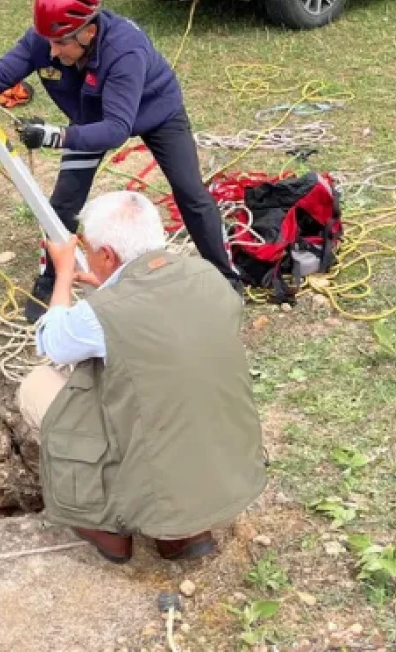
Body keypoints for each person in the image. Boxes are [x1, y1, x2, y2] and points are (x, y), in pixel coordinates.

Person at [0, 0, 240, 323]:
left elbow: (115, 130)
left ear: (89, 32)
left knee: (190, 193)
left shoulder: (124, 51)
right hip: (91, 118)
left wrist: (54, 136)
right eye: (47, 40)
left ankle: (226, 279)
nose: (51, 50)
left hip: (155, 111)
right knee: (63, 203)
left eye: (60, 43)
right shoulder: (47, 38)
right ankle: (49, 282)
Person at [17, 191, 266, 564]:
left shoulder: (100, 315)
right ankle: (186, 533)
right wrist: (110, 289)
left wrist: (64, 273)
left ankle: (108, 527)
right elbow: (163, 325)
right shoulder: (209, 277)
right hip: (232, 472)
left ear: (106, 255)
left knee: (37, 386)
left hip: (156, 477)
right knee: (168, 394)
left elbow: (51, 341)